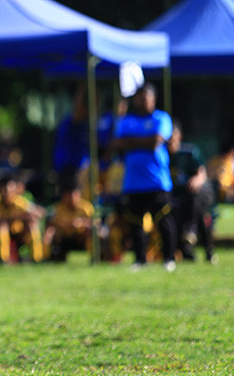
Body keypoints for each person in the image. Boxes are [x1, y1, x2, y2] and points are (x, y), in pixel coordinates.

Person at [111, 83, 177, 271]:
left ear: (153, 98)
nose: (142, 100)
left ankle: (169, 258)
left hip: (157, 181)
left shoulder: (162, 118)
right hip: (133, 183)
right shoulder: (126, 120)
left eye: (145, 96)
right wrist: (143, 140)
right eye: (139, 97)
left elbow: (156, 141)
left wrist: (133, 141)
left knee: (164, 220)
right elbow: (118, 143)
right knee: (135, 223)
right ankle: (140, 260)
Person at [167, 121, 216, 263]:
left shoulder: (189, 151)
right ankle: (198, 249)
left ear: (179, 136)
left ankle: (191, 231)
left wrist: (195, 179)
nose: (170, 139)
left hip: (199, 194)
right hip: (179, 197)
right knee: (194, 210)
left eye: (172, 135)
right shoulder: (162, 154)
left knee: (194, 196)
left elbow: (202, 174)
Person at [0, 174, 44, 263]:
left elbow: (39, 213)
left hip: (19, 234)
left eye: (9, 189)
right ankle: (3, 260)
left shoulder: (19, 201)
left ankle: (37, 259)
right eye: (4, 188)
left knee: (32, 225)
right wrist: (17, 216)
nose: (6, 192)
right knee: (2, 226)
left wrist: (24, 216)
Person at [42, 177, 95, 262]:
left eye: (74, 195)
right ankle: (45, 258)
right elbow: (50, 224)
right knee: (49, 231)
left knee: (91, 232)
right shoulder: (58, 208)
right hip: (63, 238)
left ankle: (94, 258)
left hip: (80, 238)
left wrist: (82, 223)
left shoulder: (86, 208)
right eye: (68, 195)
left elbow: (95, 223)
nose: (71, 198)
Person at [206, 140, 234, 240]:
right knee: (210, 203)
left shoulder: (232, 162)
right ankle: (210, 229)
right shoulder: (216, 162)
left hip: (230, 193)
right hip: (214, 193)